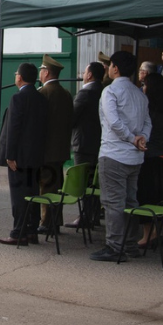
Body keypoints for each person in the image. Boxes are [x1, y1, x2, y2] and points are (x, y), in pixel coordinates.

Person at [90, 50, 151, 262]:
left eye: (110, 65)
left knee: (113, 203)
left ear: (115, 68)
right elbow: (148, 122)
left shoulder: (110, 91)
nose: (108, 68)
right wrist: (142, 138)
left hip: (114, 154)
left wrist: (133, 138)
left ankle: (115, 246)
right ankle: (130, 244)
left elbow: (114, 122)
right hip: (135, 156)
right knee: (131, 201)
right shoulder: (139, 94)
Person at [0, 62, 48, 245]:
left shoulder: (18, 98)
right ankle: (31, 230)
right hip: (35, 156)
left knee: (19, 196)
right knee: (32, 193)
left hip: (19, 157)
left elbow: (14, 128)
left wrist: (10, 155)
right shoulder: (41, 98)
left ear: (19, 77)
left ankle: (18, 232)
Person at [66, 61, 104, 230]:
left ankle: (85, 216)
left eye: (84, 72)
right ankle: (94, 215)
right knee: (94, 182)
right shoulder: (102, 90)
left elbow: (72, 118)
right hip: (98, 142)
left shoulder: (85, 93)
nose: (82, 74)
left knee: (84, 182)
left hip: (83, 143)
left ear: (89, 75)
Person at [137, 69, 163, 248]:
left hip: (149, 156)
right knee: (160, 195)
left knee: (146, 195)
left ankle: (147, 235)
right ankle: (158, 231)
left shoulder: (149, 109)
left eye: (144, 85)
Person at [38, 55, 73, 233]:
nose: (40, 73)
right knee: (57, 186)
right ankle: (56, 221)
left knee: (46, 187)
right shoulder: (65, 93)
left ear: (46, 72)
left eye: (41, 70)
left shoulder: (43, 93)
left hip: (46, 150)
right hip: (61, 149)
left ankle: (47, 222)